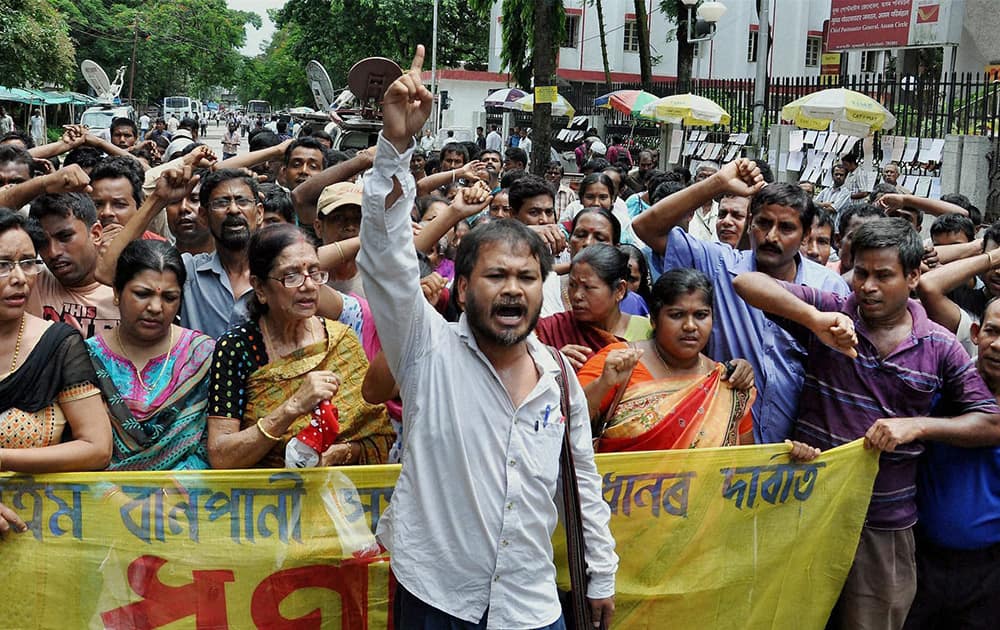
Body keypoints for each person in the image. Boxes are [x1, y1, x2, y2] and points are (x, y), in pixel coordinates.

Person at [357, 46, 617, 629]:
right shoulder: (426, 351)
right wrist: (395, 149)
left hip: (530, 607)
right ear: (464, 282)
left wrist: (599, 573)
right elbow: (386, 259)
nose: (513, 290)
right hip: (435, 598)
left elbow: (581, 482)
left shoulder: (559, 380)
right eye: (496, 275)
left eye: (526, 277)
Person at [734, 217, 1000, 630]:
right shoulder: (833, 314)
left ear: (913, 277)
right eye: (861, 272)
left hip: (884, 525)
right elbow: (748, 285)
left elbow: (991, 424)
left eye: (883, 275)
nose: (868, 286)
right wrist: (813, 320)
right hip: (806, 508)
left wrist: (918, 426)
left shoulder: (940, 348)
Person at [633, 164, 849, 443]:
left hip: (799, 453)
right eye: (763, 223)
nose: (771, 237)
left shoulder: (828, 288)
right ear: (750, 223)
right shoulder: (720, 265)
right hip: (725, 446)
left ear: (805, 234)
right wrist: (718, 183)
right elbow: (646, 226)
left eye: (786, 228)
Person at [206, 223, 393, 468]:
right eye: (291, 276)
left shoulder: (341, 340)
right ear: (260, 287)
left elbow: (381, 438)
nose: (309, 286)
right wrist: (293, 407)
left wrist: (340, 454)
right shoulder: (236, 349)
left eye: (315, 273)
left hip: (338, 498)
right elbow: (221, 455)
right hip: (262, 502)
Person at [902, 297, 1000, 628]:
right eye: (992, 331)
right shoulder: (942, 385)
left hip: (988, 571)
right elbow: (927, 288)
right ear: (975, 333)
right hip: (921, 557)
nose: (998, 345)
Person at [578, 268, 755, 450]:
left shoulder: (725, 382)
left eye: (701, 315)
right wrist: (603, 384)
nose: (690, 326)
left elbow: (744, 463)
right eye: (676, 315)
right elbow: (568, 418)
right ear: (654, 319)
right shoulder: (619, 361)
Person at [0, 208, 112, 472]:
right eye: (2, 265)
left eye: (28, 263)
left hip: (40, 510)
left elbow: (97, 448)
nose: (19, 279)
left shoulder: (57, 344)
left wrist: (3, 459)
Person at [86, 240, 215, 470]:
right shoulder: (87, 357)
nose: (156, 307)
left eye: (169, 297)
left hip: (188, 497)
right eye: (142, 294)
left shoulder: (201, 355)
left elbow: (209, 446)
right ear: (116, 292)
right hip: (102, 498)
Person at [536, 243, 652, 370]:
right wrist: (553, 359)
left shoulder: (647, 330)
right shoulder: (553, 328)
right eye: (572, 285)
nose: (577, 296)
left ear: (619, 290)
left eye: (588, 287)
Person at [27, 193, 119, 338]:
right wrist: (43, 184)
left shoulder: (127, 292)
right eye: (43, 242)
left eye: (64, 237)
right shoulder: (30, 282)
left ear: (95, 234)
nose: (53, 252)